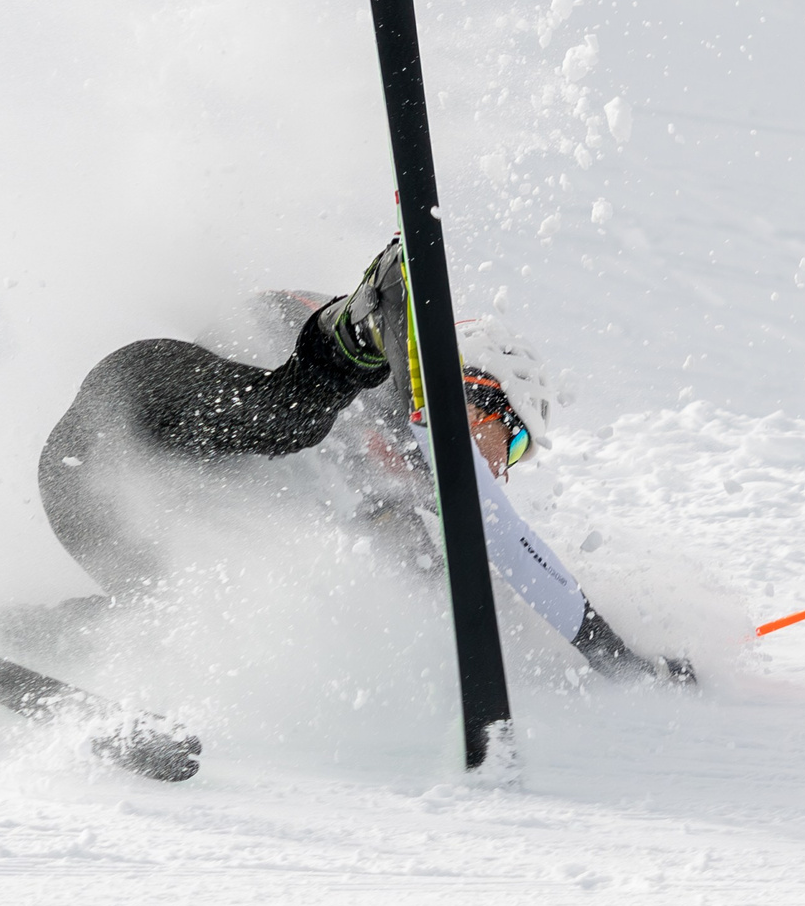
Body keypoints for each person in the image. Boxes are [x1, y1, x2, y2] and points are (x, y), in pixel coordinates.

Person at [36, 241, 692, 683]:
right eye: (514, 442)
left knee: (189, 622)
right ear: (482, 394)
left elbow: (444, 591)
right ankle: (350, 337)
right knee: (291, 419)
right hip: (145, 403)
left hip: (93, 498)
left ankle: (25, 633)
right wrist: (621, 661)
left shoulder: (400, 484)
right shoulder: (410, 402)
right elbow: (509, 543)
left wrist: (537, 666)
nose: (506, 469)